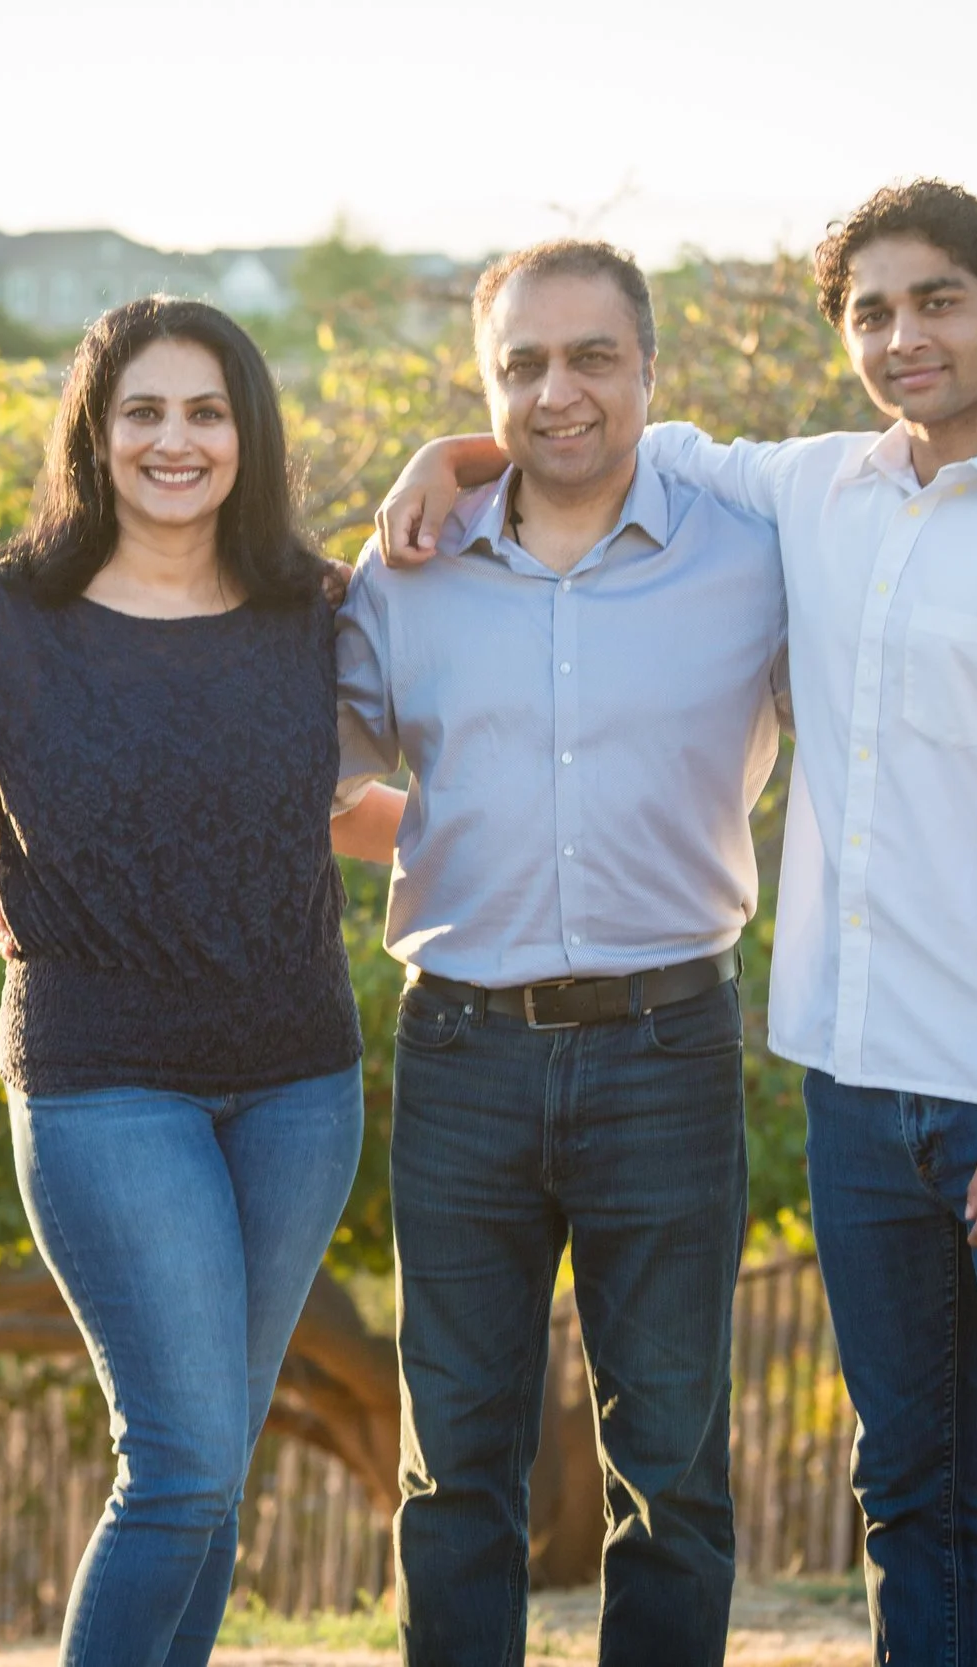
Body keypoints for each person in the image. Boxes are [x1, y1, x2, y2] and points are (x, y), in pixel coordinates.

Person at [379, 181, 977, 1667]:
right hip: (855, 1081)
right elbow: (583, 433)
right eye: (874, 312)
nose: (907, 339)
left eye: (940, 302)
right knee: (906, 1493)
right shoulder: (815, 492)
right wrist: (448, 455)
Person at [0, 295, 403, 1667]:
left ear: (248, 431)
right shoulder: (0, 620)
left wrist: (494, 850)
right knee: (180, 1459)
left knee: (218, 1460)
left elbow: (329, 802)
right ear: (97, 429)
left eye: (207, 410)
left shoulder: (311, 611)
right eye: (145, 411)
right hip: (102, 1082)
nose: (175, 439)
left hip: (301, 1079)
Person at [337, 239, 786, 1666]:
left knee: (672, 1457)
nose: (559, 389)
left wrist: (451, 446)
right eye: (522, 364)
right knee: (455, 1456)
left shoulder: (753, 549)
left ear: (652, 367)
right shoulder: (409, 565)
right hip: (462, 1049)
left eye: (594, 355)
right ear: (486, 383)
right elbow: (301, 774)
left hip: (672, 1048)